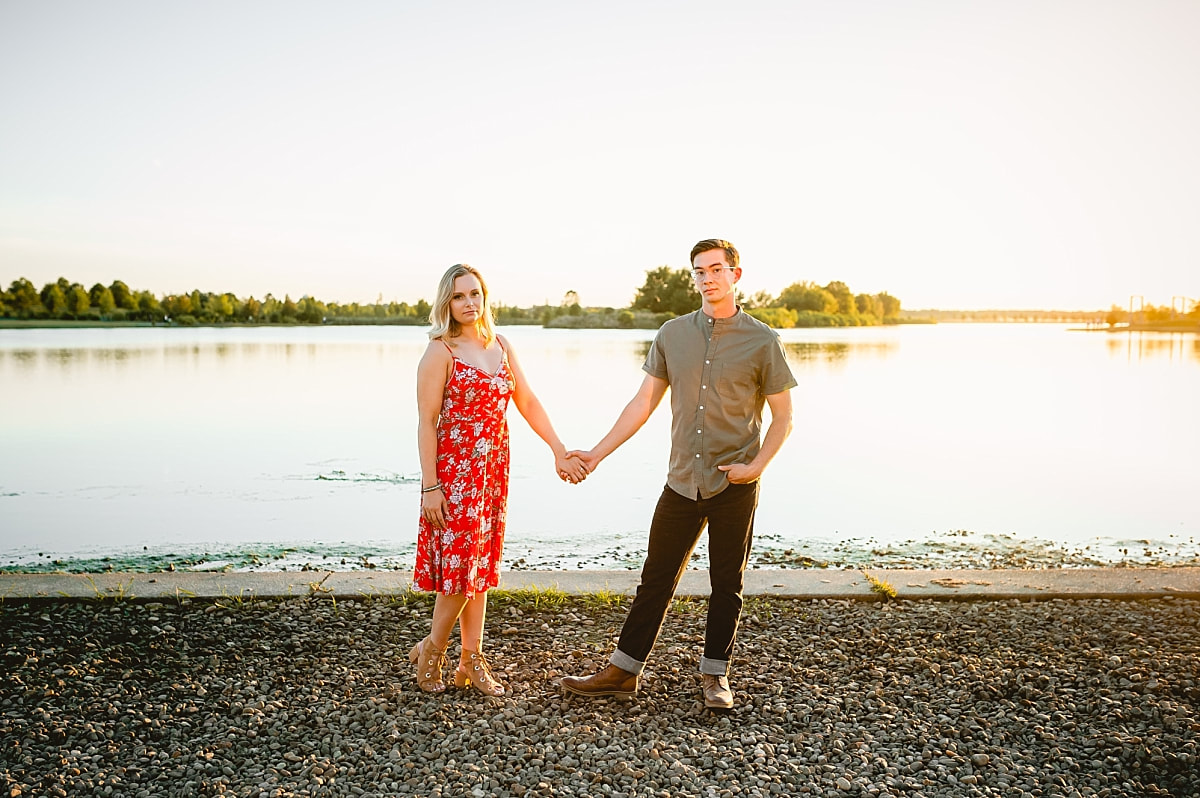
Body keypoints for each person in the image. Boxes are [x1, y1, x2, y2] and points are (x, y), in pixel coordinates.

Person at [561, 239, 796, 710]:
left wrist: (755, 467)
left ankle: (715, 677)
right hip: (681, 481)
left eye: (715, 269)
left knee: (727, 582)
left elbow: (784, 417)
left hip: (734, 483)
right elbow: (642, 404)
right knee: (656, 579)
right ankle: (623, 671)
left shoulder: (762, 340)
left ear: (736, 274)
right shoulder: (672, 334)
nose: (707, 278)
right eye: (698, 271)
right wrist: (598, 453)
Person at [410, 263, 587, 695]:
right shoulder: (440, 351)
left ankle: (471, 660)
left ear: (485, 297)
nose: (468, 303)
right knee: (458, 571)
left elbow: (526, 400)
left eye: (474, 294)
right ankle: (432, 651)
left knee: (481, 569)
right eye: (458, 297)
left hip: (493, 474)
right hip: (455, 477)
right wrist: (430, 487)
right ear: (445, 303)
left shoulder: (501, 345)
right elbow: (426, 423)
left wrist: (558, 449)